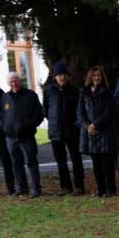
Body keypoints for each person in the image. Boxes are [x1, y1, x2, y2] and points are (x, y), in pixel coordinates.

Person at [42, 62, 86, 194]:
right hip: (55, 131)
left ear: (68, 76)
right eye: (59, 75)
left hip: (72, 130)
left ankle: (79, 186)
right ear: (55, 77)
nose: (62, 77)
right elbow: (46, 110)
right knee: (60, 161)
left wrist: (75, 124)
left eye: (64, 75)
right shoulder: (49, 91)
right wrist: (54, 122)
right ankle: (65, 187)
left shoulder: (75, 91)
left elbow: (80, 110)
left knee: (76, 159)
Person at [1, 72, 44, 198]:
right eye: (11, 82)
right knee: (16, 163)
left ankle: (36, 189)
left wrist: (28, 125)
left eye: (16, 81)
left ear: (20, 81)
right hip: (10, 137)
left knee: (31, 162)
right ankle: (21, 188)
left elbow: (39, 114)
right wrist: (4, 127)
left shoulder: (30, 95)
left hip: (27, 136)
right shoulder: (5, 97)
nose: (14, 84)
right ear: (8, 83)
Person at [79, 66, 119, 197]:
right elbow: (80, 113)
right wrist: (88, 126)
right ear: (90, 77)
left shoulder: (107, 92)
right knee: (96, 164)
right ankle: (101, 189)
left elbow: (109, 112)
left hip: (104, 131)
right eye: (94, 75)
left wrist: (95, 125)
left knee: (107, 163)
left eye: (99, 75)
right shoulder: (83, 92)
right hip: (90, 133)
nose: (97, 78)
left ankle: (110, 190)